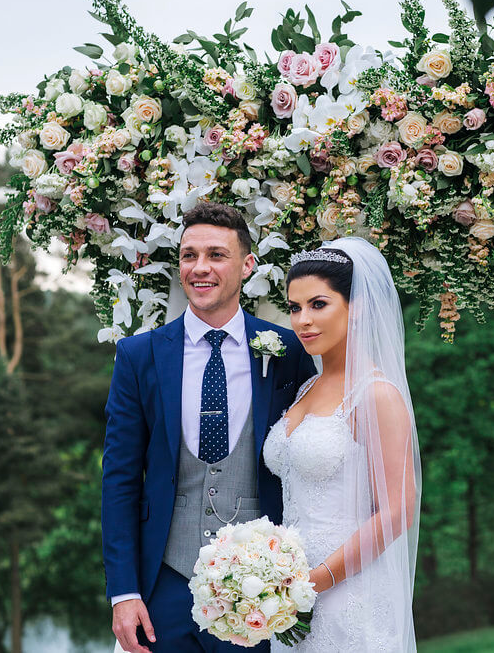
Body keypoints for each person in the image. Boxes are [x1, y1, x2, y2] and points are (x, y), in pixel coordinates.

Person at [102, 202, 317, 653]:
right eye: (188, 255)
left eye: (216, 255)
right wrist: (124, 592)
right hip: (163, 588)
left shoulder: (287, 351)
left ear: (247, 265)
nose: (200, 268)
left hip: (261, 591)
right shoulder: (139, 356)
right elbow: (119, 479)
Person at [263, 237, 422, 651]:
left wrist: (310, 585)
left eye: (318, 304)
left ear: (358, 307)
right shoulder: (305, 390)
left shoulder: (376, 395)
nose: (302, 320)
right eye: (295, 308)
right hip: (291, 596)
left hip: (348, 592)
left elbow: (396, 512)